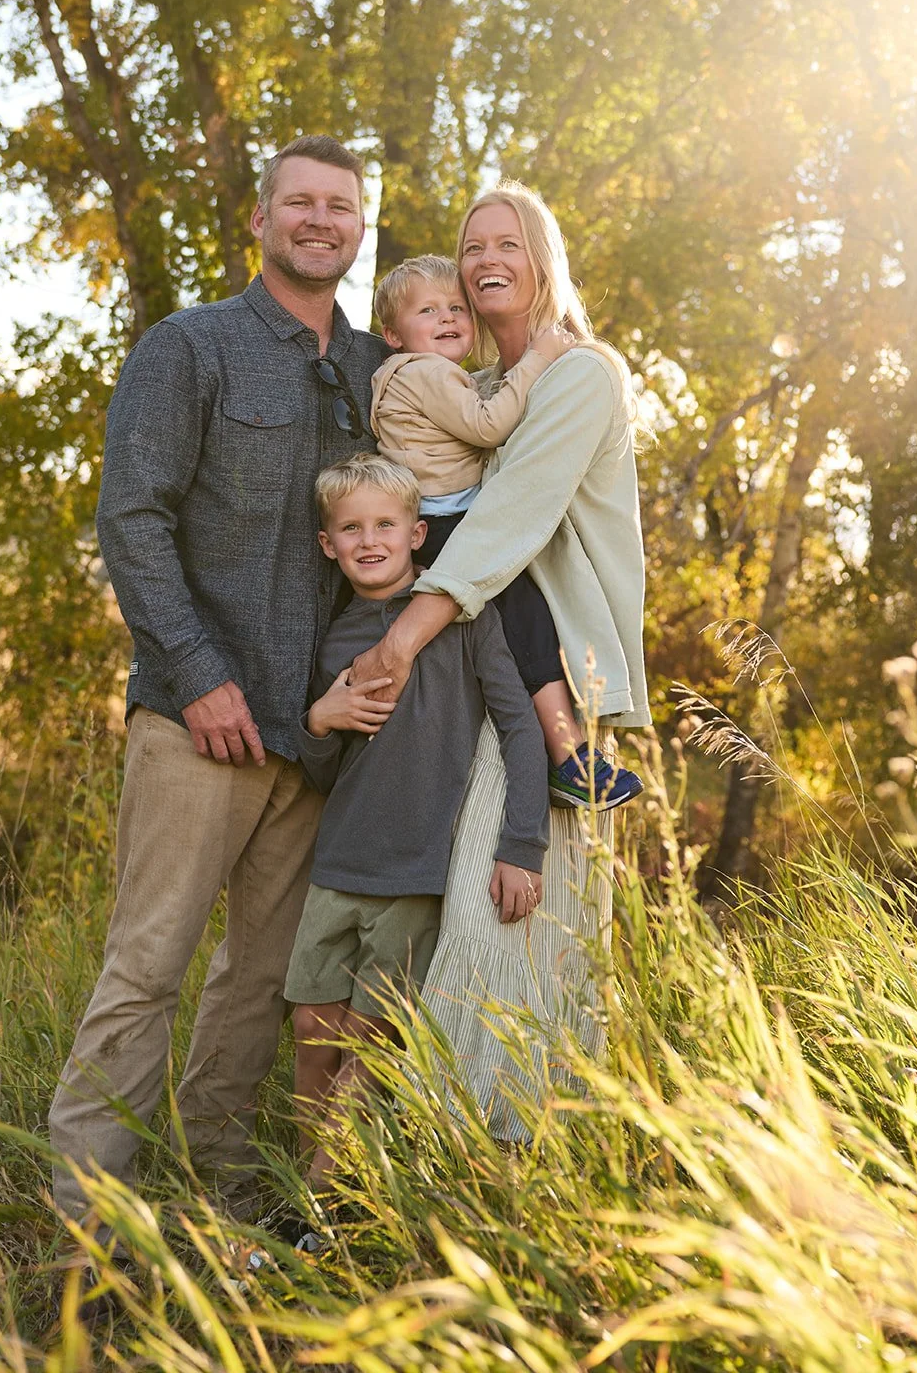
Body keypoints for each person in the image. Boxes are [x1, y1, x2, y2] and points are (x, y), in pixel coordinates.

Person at [48, 136, 387, 1234]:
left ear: (357, 225)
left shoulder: (386, 371)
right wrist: (195, 675)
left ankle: (222, 1215)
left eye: (339, 206)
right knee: (144, 972)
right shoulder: (189, 347)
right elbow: (130, 519)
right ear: (261, 218)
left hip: (320, 742)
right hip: (199, 730)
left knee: (261, 991)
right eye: (300, 202)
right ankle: (86, 1244)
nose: (319, 220)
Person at [349, 182, 651, 1139]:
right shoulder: (475, 389)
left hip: (557, 680)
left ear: (542, 258)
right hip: (486, 680)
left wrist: (401, 634)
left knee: (515, 930)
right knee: (481, 933)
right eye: (472, 244)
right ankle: (461, 1166)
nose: (486, 259)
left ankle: (503, 1154)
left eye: (508, 243)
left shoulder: (579, 376)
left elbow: (509, 518)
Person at [283, 452, 548, 1233]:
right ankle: (315, 1177)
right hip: (337, 863)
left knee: (367, 1043)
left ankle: (317, 1210)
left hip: (415, 872)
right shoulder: (333, 638)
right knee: (311, 1032)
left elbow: (519, 731)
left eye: (385, 526)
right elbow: (327, 769)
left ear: (416, 534)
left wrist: (521, 845)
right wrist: (315, 724)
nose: (369, 541)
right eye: (351, 529)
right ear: (329, 545)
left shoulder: (464, 620)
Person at [370, 254, 643, 810]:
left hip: (439, 518)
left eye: (455, 308)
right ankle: (571, 757)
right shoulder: (428, 373)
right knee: (529, 623)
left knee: (508, 638)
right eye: (428, 311)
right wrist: (541, 356)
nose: (448, 318)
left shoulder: (416, 375)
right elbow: (491, 425)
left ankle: (561, 756)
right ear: (393, 335)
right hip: (450, 522)